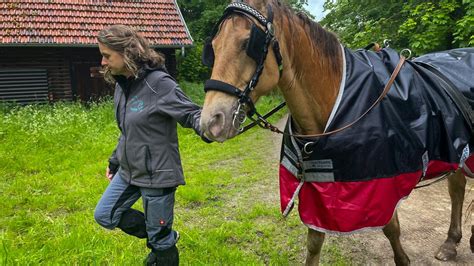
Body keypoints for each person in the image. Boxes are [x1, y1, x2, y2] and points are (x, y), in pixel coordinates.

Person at [93, 25, 210, 265]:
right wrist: (114, 160)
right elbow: (127, 130)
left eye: (107, 55)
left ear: (127, 53)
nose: (103, 62)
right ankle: (163, 236)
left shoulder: (158, 83)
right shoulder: (122, 85)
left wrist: (212, 127)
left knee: (160, 241)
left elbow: (191, 114)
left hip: (158, 174)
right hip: (129, 170)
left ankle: (161, 243)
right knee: (105, 214)